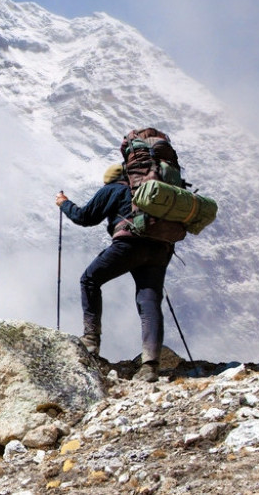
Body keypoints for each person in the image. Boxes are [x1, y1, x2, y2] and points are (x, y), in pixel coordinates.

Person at [55, 163, 174, 382]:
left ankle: (91, 341)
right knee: (149, 300)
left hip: (129, 245)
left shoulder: (113, 189)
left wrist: (64, 204)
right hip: (160, 248)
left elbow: (85, 217)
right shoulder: (153, 192)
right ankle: (150, 366)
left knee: (90, 279)